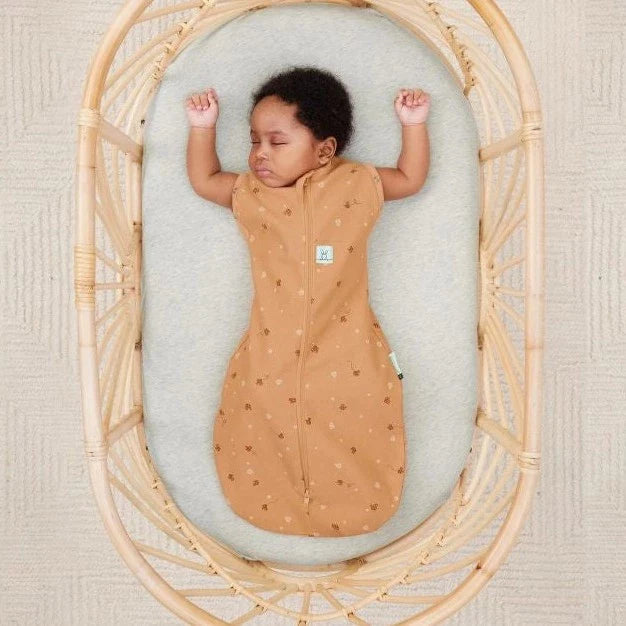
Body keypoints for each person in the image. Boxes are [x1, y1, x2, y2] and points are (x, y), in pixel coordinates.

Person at [185, 66, 430, 537]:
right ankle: (272, 499)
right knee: (267, 409)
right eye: (254, 141)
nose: (260, 153)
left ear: (325, 150)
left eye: (277, 142)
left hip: (347, 341)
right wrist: (203, 128)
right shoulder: (251, 193)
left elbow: (409, 177)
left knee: (351, 411)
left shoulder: (357, 183)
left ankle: (355, 499)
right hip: (271, 344)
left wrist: (413, 124)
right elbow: (204, 178)